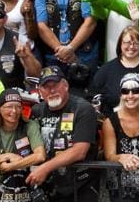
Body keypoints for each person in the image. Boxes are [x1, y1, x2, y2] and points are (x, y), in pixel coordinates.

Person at [25, 66, 98, 202]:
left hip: (80, 187)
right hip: (48, 187)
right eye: (46, 87)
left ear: (65, 85)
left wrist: (45, 168)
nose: (52, 91)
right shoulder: (36, 111)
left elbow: (79, 151)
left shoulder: (83, 109)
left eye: (55, 85)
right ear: (40, 91)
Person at [0, 88, 47, 202]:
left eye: (18, 106)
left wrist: (11, 166)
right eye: (9, 106)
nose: (14, 111)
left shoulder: (29, 126)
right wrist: (5, 156)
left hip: (27, 191)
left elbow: (40, 155)